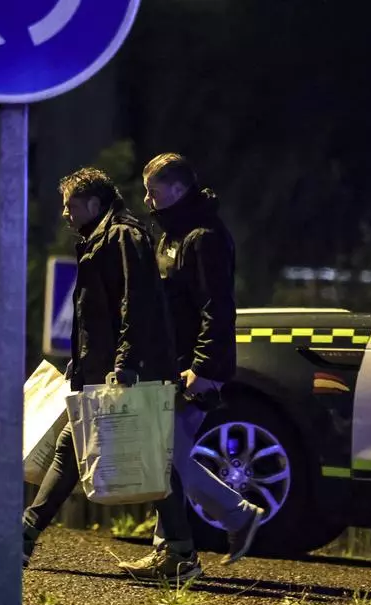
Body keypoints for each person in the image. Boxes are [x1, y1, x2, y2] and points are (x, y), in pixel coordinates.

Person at [0, 168, 182, 575]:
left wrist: (124, 364)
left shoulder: (122, 236)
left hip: (127, 371)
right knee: (71, 448)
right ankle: (23, 536)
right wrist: (82, 362)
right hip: (107, 369)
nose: (65, 214)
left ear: (94, 205)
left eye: (71, 205)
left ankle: (182, 555)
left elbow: (136, 304)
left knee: (152, 460)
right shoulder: (105, 237)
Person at [116, 153, 264, 580]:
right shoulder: (173, 234)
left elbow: (217, 308)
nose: (146, 199)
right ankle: (174, 551)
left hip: (192, 368)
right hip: (169, 363)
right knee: (166, 457)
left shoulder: (204, 237)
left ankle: (230, 520)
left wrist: (204, 367)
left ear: (178, 189)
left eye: (154, 191)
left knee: (163, 458)